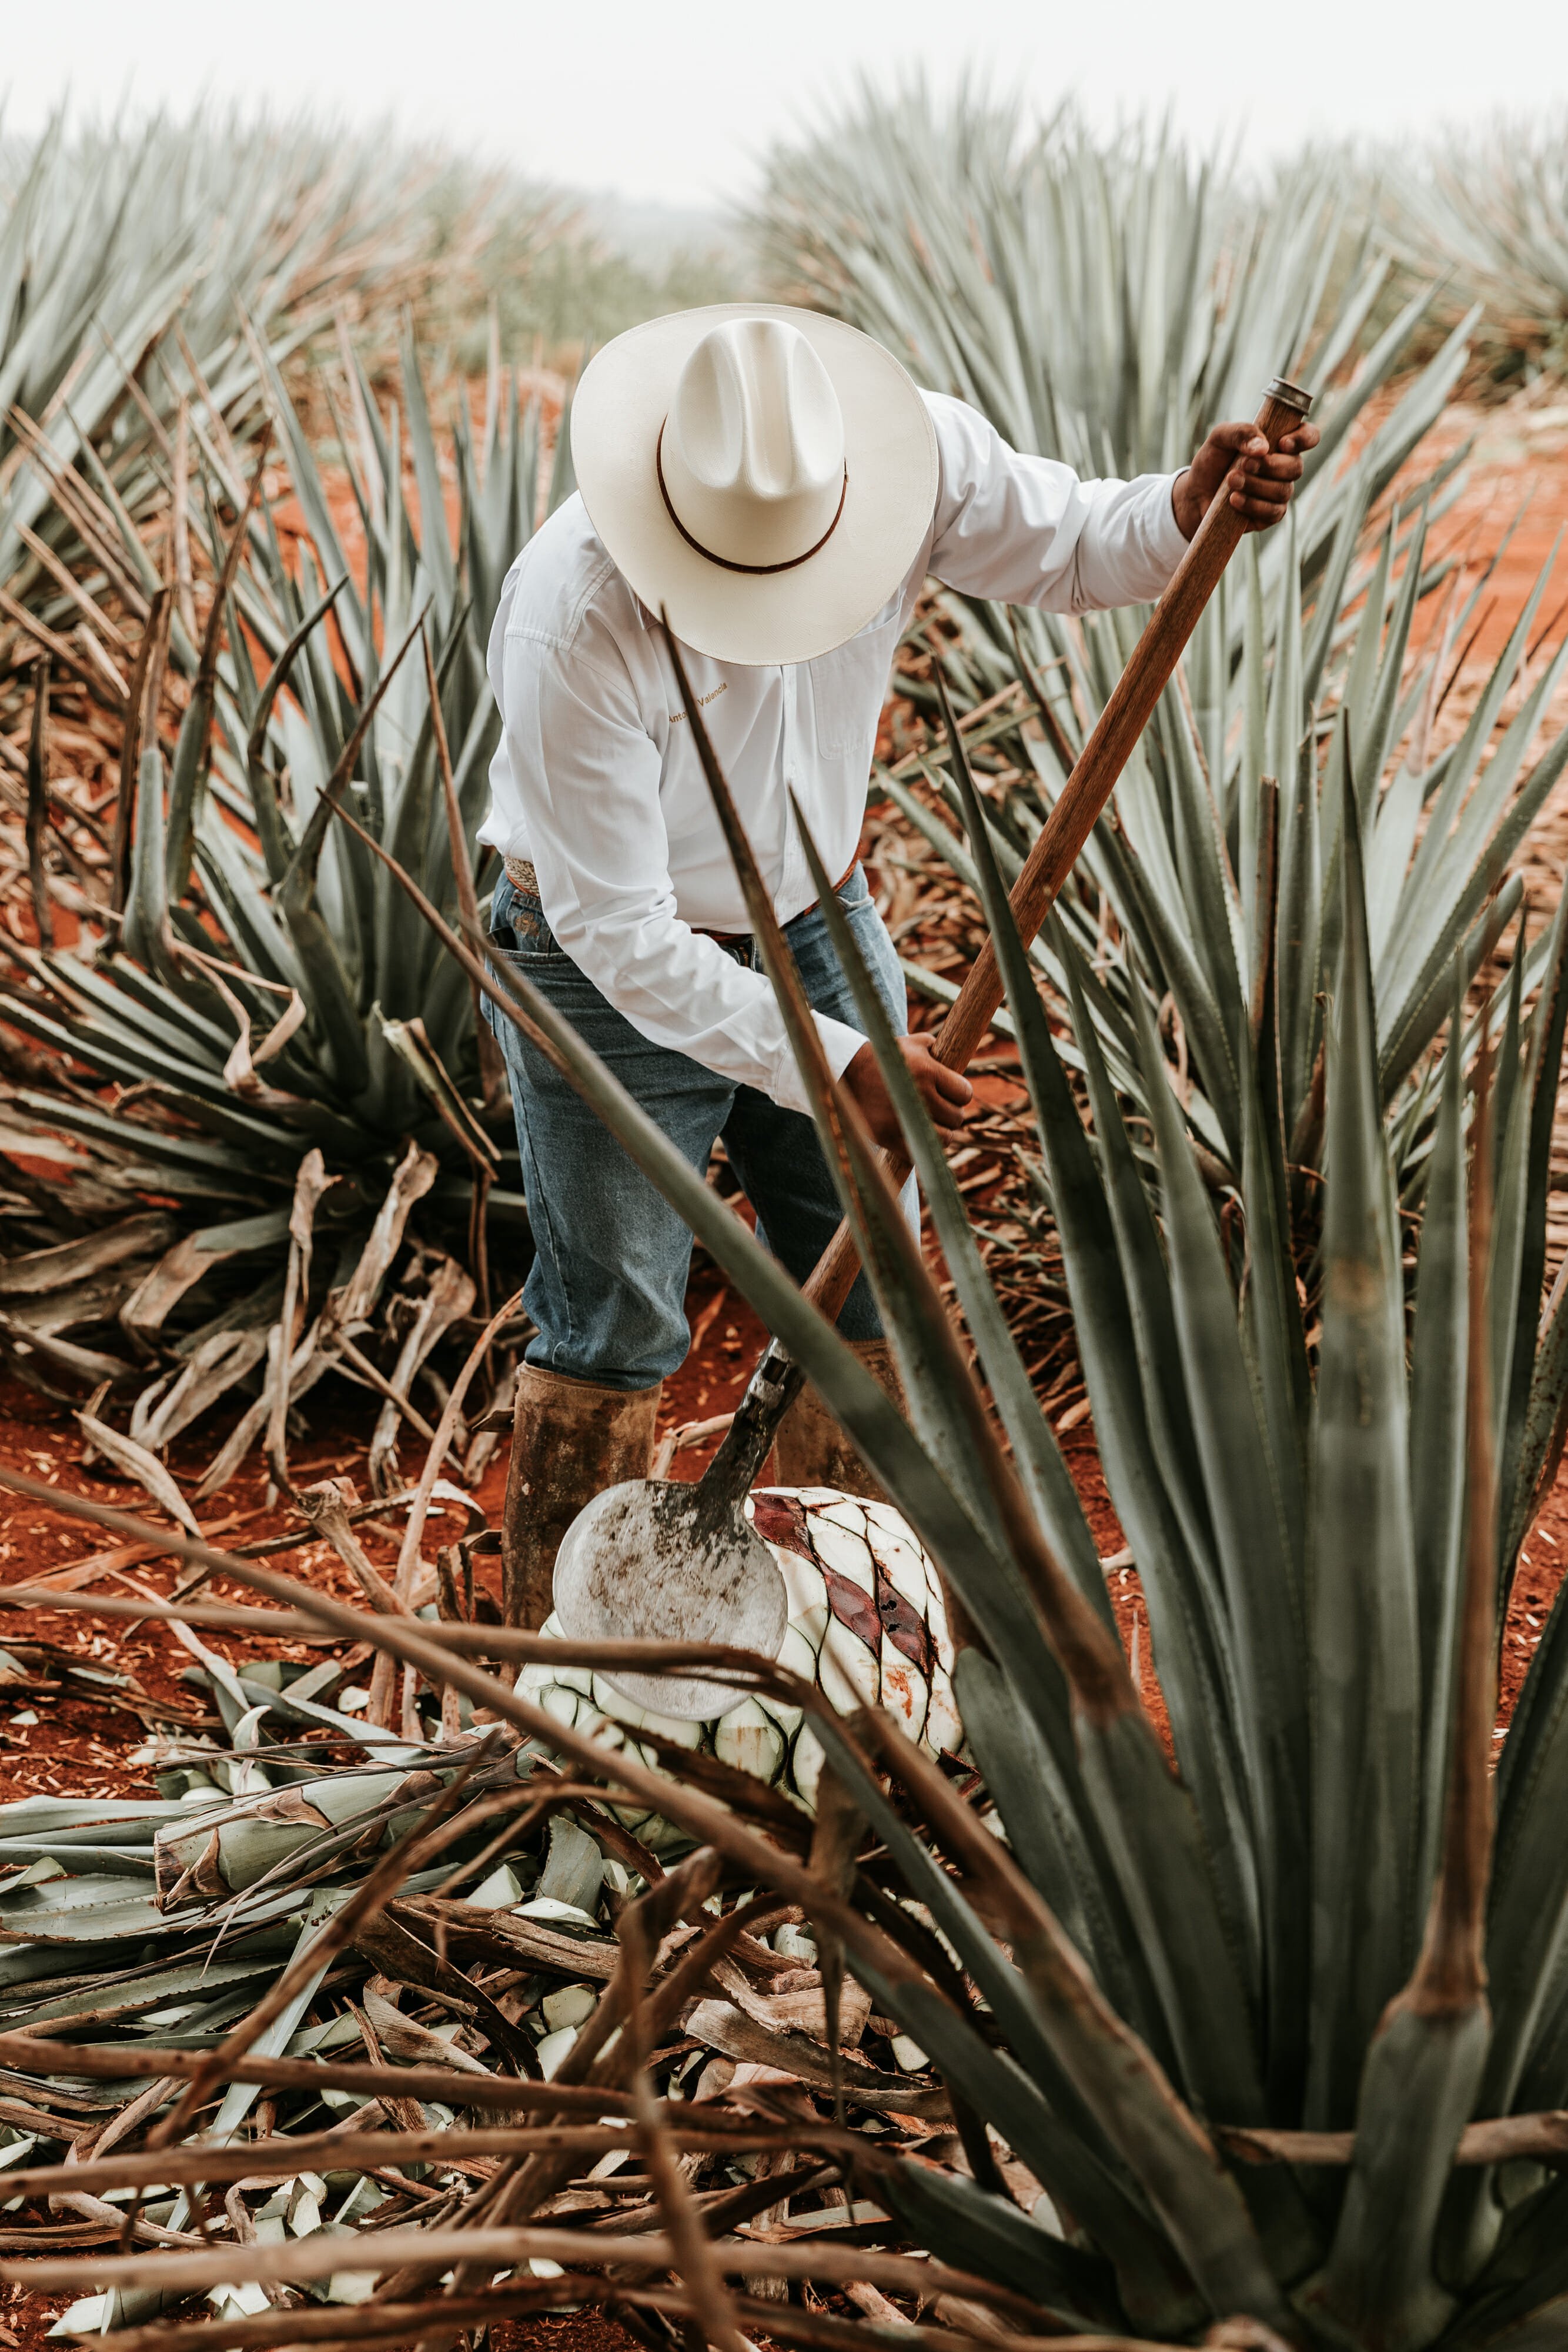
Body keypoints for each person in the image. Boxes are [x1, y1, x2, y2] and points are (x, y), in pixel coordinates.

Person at [481, 302, 1318, 1625]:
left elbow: (1073, 544)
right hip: (603, 963)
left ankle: (839, 1648)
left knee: (869, 1275)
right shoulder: (573, 607)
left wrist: (1180, 505)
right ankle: (561, 1671)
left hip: (813, 916)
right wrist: (841, 1059)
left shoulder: (903, 456)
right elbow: (615, 925)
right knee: (617, 1320)